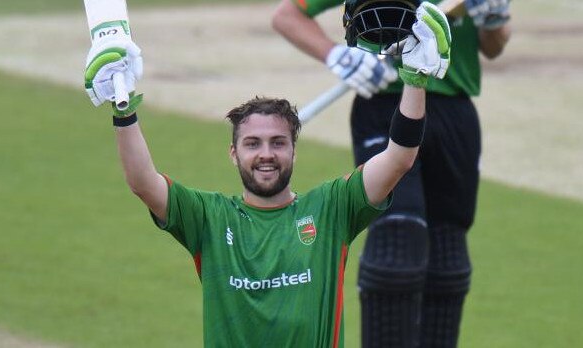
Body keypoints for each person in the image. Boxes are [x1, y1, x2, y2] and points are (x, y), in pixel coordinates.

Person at [83, 2, 451, 347]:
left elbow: (400, 157)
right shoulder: (208, 218)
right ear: (234, 153)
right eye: (253, 144)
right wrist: (124, 111)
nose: (266, 155)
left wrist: (415, 82)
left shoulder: (332, 208)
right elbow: (142, 181)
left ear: (293, 149)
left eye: (278, 143)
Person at [272, 0, 511, 347]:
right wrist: (338, 56)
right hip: (385, 106)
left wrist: (494, 22)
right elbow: (287, 15)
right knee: (396, 249)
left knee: (448, 261)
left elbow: (494, 46)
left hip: (455, 107)